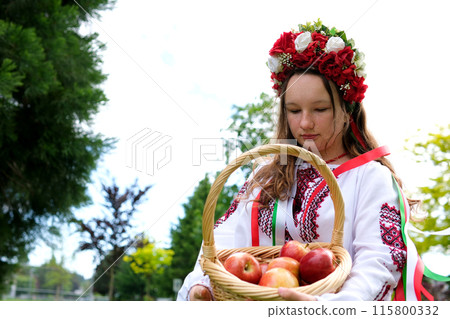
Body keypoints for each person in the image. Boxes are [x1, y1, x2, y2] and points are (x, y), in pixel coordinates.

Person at [177, 20, 428, 301]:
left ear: (346, 110)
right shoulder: (265, 177)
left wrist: (329, 306)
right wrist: (202, 285)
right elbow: (222, 240)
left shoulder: (370, 178)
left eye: (320, 109)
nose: (305, 123)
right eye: (294, 110)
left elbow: (379, 260)